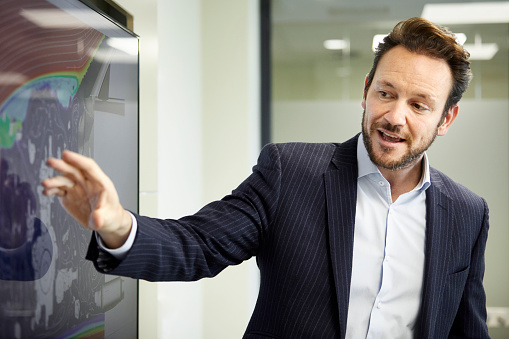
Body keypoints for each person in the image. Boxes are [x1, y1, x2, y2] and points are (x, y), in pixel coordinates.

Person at [42, 17, 490, 338]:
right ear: (366, 90)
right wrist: (119, 225)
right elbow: (198, 244)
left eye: (419, 105)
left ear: (446, 118)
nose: (394, 116)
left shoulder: (467, 214)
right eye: (386, 93)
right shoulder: (290, 173)